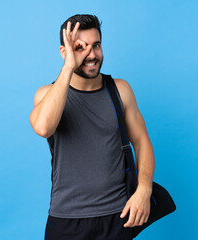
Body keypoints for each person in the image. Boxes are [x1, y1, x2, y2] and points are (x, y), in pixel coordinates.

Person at [29, 14, 155, 240]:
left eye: (96, 45)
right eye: (80, 47)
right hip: (66, 219)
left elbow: (142, 141)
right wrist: (68, 67)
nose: (92, 54)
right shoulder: (46, 95)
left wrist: (144, 189)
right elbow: (43, 128)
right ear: (64, 52)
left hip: (117, 217)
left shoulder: (120, 90)